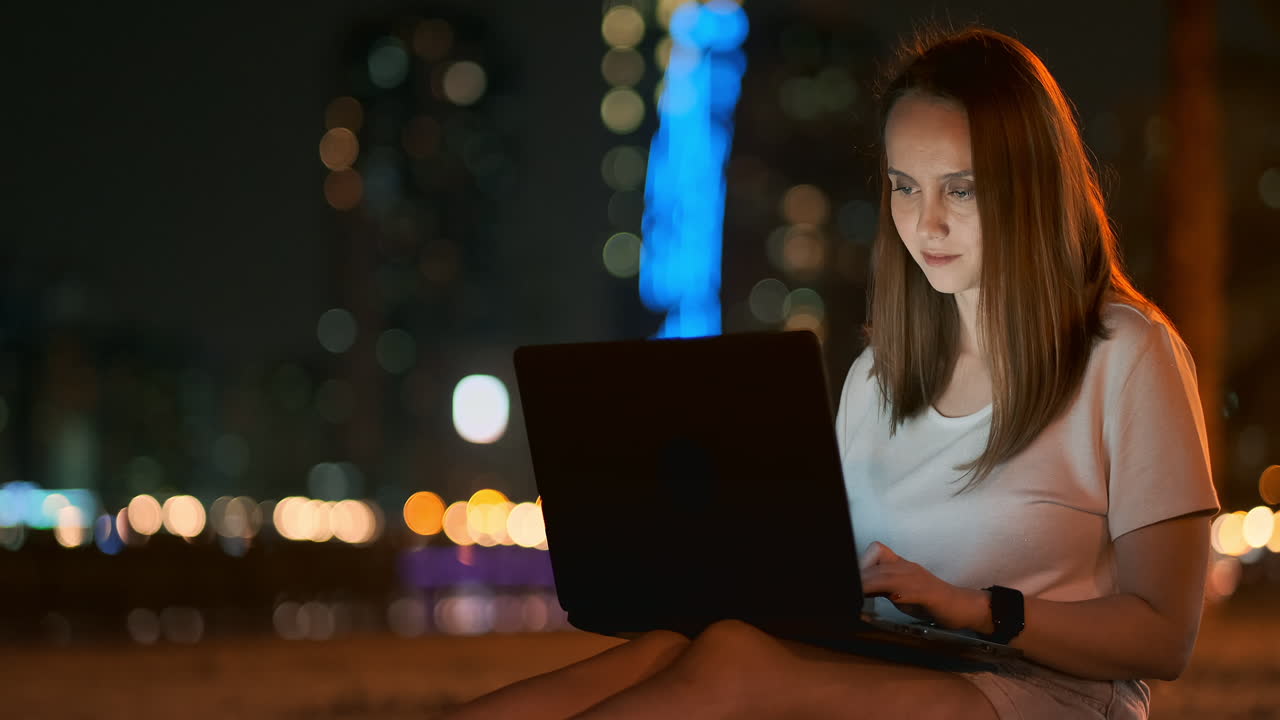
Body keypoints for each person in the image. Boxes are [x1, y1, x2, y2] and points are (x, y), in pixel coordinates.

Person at [441, 25, 1219, 720]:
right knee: (706, 644)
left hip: (1046, 693)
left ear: (1031, 186)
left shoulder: (1126, 354)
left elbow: (1162, 636)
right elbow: (825, 578)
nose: (927, 223)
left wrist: (977, 609)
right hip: (898, 667)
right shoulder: (880, 377)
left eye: (963, 188)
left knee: (736, 669)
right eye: (904, 187)